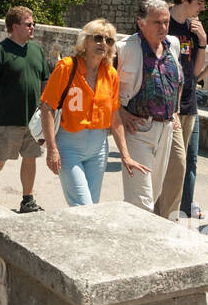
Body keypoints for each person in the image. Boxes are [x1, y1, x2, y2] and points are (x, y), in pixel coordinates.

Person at [39, 19, 150, 206]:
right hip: (69, 146)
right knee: (83, 205)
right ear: (85, 41)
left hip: (98, 148)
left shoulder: (110, 73)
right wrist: (52, 149)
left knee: (91, 209)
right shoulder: (66, 67)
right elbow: (47, 108)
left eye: (109, 41)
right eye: (98, 38)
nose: (103, 44)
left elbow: (115, 116)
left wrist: (125, 155)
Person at [114, 0, 184, 216]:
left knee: (153, 195)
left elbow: (178, 80)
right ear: (141, 23)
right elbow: (105, 86)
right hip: (138, 130)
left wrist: (175, 112)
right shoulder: (124, 49)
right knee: (141, 202)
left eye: (166, 22)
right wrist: (120, 110)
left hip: (165, 129)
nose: (163, 28)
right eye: (157, 23)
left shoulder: (173, 44)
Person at [0, 6, 48, 213]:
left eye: (33, 24)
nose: (33, 27)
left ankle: (27, 199)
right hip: (9, 119)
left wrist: (46, 106)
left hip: (34, 120)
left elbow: (45, 80)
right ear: (14, 26)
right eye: (29, 24)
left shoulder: (36, 49)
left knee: (30, 158)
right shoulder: (0, 52)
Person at [170, 0, 208, 219]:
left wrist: (203, 42)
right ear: (184, 0)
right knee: (173, 161)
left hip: (190, 101)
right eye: (199, 3)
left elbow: (194, 69)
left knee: (190, 159)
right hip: (169, 104)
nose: (203, 8)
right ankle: (165, 208)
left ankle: (186, 205)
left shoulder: (193, 28)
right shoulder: (163, 23)